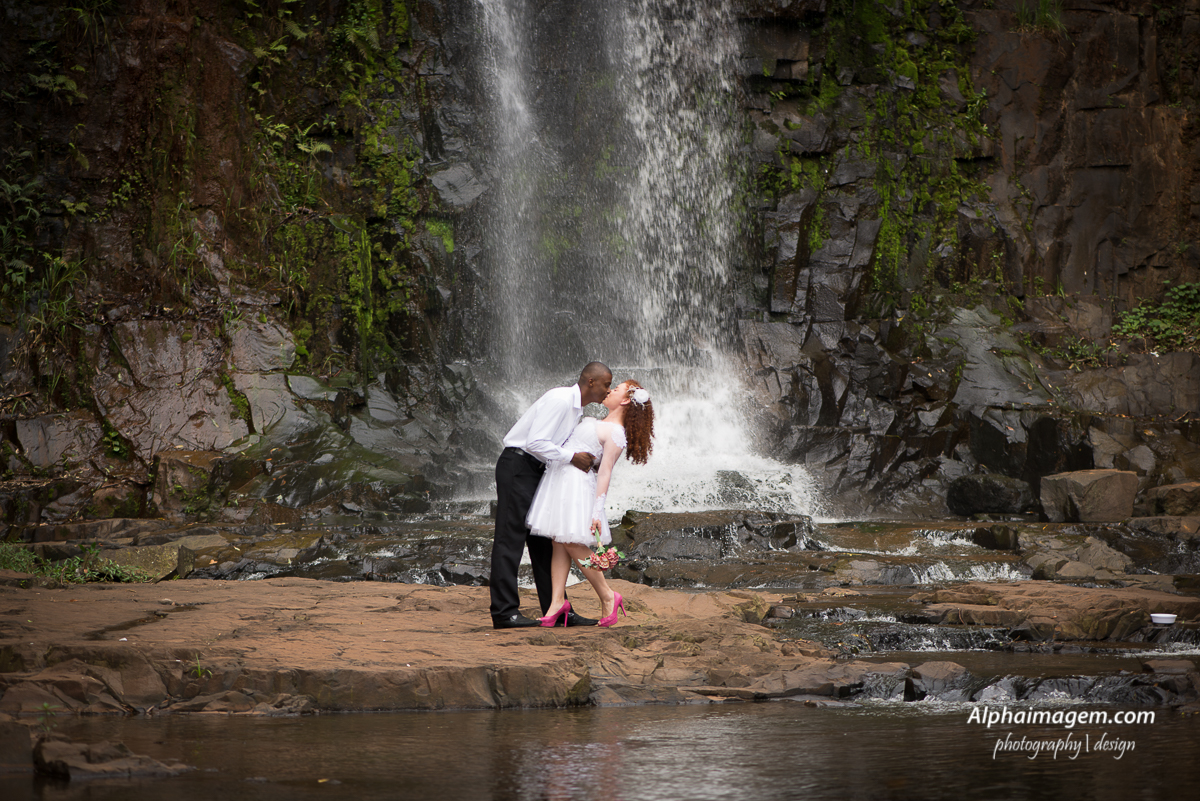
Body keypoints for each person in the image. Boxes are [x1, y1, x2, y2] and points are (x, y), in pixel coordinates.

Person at [489, 362, 613, 629]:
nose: (608, 390)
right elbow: (535, 442)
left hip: (539, 471)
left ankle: (557, 611)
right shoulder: (561, 399)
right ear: (591, 382)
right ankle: (504, 612)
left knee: (545, 542)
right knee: (510, 540)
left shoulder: (576, 410)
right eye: (606, 384)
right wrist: (572, 457)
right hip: (519, 465)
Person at [526, 379, 654, 628]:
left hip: (577, 487)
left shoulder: (616, 432)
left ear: (625, 400)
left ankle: (608, 595)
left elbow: (605, 472)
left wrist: (597, 511)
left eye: (616, 389)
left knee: (571, 541)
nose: (609, 390)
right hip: (560, 482)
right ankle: (557, 603)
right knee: (559, 541)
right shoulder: (599, 422)